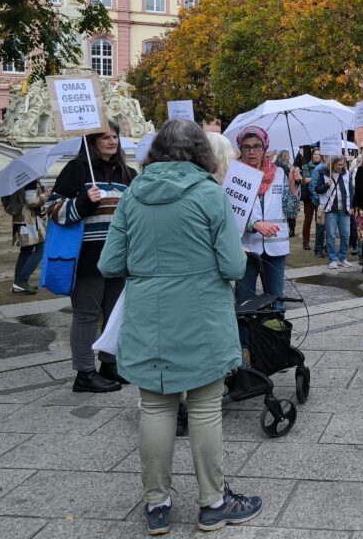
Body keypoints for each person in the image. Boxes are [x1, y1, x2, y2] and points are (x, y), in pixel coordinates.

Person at [97, 119, 260, 534]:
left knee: (155, 406)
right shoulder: (210, 194)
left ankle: (157, 505)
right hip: (202, 317)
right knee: (205, 406)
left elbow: (109, 264)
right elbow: (233, 265)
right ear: (201, 153)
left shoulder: (133, 195)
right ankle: (213, 502)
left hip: (147, 316)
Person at [47, 122, 136, 392]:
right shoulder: (77, 170)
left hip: (120, 255)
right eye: (105, 137)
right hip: (87, 256)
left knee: (115, 314)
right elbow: (52, 208)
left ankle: (110, 364)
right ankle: (84, 373)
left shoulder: (128, 173)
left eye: (115, 136)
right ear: (91, 143)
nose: (112, 141)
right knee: (86, 314)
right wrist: (83, 202)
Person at [237, 127, 301, 304]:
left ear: (265, 149)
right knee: (245, 304)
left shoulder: (279, 173)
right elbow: (229, 213)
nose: (252, 152)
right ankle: (246, 333)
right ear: (240, 149)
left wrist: (294, 189)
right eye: (246, 147)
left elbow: (290, 211)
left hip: (276, 247)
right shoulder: (234, 174)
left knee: (276, 302)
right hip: (246, 249)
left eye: (257, 146)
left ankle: (273, 333)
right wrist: (254, 224)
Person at [5, 181, 50, 294]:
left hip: (20, 218)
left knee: (26, 250)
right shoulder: (30, 180)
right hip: (29, 219)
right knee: (41, 248)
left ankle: (18, 284)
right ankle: (21, 281)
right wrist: (45, 195)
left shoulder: (19, 179)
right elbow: (32, 202)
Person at [316, 155, 353, 269]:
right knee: (331, 235)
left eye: (342, 164)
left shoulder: (346, 173)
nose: (340, 167)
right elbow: (317, 189)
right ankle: (333, 258)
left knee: (346, 234)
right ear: (332, 164)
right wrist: (327, 185)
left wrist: (351, 205)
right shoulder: (324, 173)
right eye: (338, 165)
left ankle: (342, 257)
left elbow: (351, 190)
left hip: (344, 209)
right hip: (330, 209)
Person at [300, 147, 322, 251]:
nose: (317, 156)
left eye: (318, 154)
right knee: (308, 220)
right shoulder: (306, 166)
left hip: (320, 196)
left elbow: (310, 179)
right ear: (312, 155)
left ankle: (319, 243)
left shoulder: (324, 166)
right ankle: (305, 241)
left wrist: (312, 180)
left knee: (319, 220)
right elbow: (305, 179)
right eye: (315, 154)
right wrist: (317, 179)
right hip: (309, 197)